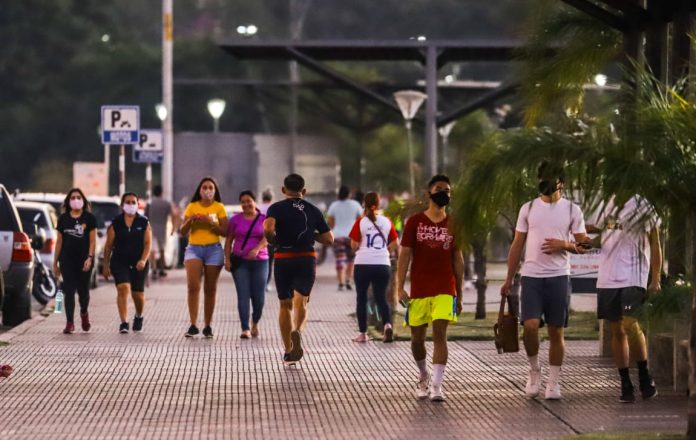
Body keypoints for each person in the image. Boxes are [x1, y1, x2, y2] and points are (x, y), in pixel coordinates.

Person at [500, 161, 590, 400]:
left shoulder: (572, 210)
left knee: (555, 332)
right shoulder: (528, 208)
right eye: (542, 178)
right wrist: (508, 278)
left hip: (559, 276)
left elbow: (585, 245)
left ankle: (553, 382)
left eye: (551, 177)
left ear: (562, 182)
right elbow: (517, 244)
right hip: (531, 277)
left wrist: (565, 244)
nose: (545, 182)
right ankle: (534, 369)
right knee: (529, 327)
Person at [396, 175, 464, 402]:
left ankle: (436, 384)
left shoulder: (454, 223)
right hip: (419, 289)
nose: (443, 192)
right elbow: (404, 255)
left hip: (445, 287)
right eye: (439, 188)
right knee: (417, 339)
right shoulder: (415, 222)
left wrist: (460, 294)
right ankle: (423, 374)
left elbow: (458, 259)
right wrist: (399, 287)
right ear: (429, 193)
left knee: (439, 333)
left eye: (447, 189)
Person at [593, 195, 661, 403]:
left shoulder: (643, 204)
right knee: (616, 330)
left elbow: (655, 242)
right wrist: (580, 244)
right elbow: (604, 236)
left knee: (630, 324)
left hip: (634, 275)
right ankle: (625, 383)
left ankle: (643, 375)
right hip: (607, 278)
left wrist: (655, 278)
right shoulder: (605, 203)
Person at [263, 174, 334, 366]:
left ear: (283, 190)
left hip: (283, 259)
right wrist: (312, 234)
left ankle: (288, 351)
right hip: (305, 259)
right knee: (301, 302)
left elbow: (268, 228)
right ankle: (299, 331)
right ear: (304, 191)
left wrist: (273, 240)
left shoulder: (276, 208)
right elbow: (329, 239)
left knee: (284, 304)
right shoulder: (313, 210)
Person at [180, 177, 228, 338]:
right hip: (194, 249)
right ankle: (193, 324)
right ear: (199, 190)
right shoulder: (192, 207)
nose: (207, 190)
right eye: (204, 187)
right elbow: (182, 231)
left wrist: (210, 222)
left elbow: (225, 231)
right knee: (193, 286)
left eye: (210, 188)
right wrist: (190, 220)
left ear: (215, 191)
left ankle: (207, 325)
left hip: (214, 249)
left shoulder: (219, 207)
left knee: (210, 288)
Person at [349, 191, 399, 343]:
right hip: (382, 264)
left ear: (364, 203)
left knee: (361, 298)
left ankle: (363, 334)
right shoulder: (386, 221)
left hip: (363, 264)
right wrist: (384, 252)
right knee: (381, 298)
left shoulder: (360, 222)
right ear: (378, 204)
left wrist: (362, 249)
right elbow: (395, 243)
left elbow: (354, 245)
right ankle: (387, 325)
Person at [103, 192, 152, 334]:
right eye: (127, 202)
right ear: (122, 205)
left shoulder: (143, 222)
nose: (130, 205)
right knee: (123, 288)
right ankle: (124, 322)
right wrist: (105, 266)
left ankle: (138, 315)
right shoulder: (116, 223)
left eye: (133, 202)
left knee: (138, 294)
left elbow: (148, 243)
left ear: (137, 204)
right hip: (120, 261)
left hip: (139, 262)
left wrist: (143, 259)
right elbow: (108, 246)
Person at [224, 190, 269, 339]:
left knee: (259, 297)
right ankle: (245, 328)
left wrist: (256, 250)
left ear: (255, 201)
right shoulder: (235, 219)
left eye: (248, 201)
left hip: (260, 262)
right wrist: (227, 259)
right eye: (243, 202)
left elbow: (266, 238)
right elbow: (229, 240)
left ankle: (255, 321)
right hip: (240, 262)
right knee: (243, 295)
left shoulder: (264, 218)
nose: (246, 204)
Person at [53, 188, 97, 334]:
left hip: (84, 260)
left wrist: (89, 258)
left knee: (83, 292)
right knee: (69, 290)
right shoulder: (63, 219)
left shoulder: (89, 218)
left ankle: (84, 313)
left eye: (78, 197)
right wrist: (55, 263)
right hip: (67, 260)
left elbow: (92, 241)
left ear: (83, 200)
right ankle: (69, 322)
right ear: (68, 201)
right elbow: (59, 242)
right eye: (73, 198)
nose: (76, 200)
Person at [327, 185, 362, 290]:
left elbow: (330, 221)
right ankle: (348, 280)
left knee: (339, 259)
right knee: (351, 259)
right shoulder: (355, 204)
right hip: (351, 236)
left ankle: (341, 282)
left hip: (337, 236)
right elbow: (360, 219)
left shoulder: (334, 205)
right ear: (349, 194)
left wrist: (335, 227)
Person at [146, 185, 177, 279]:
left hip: (151, 228)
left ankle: (154, 268)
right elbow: (173, 215)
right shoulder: (166, 203)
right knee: (162, 249)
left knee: (152, 250)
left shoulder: (150, 203)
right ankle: (162, 269)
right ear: (161, 192)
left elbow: (145, 216)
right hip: (162, 229)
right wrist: (173, 228)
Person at [257, 188, 275, 289]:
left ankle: (259, 282)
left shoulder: (257, 207)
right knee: (269, 261)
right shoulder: (273, 208)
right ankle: (266, 283)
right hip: (270, 238)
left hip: (258, 237)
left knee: (259, 260)